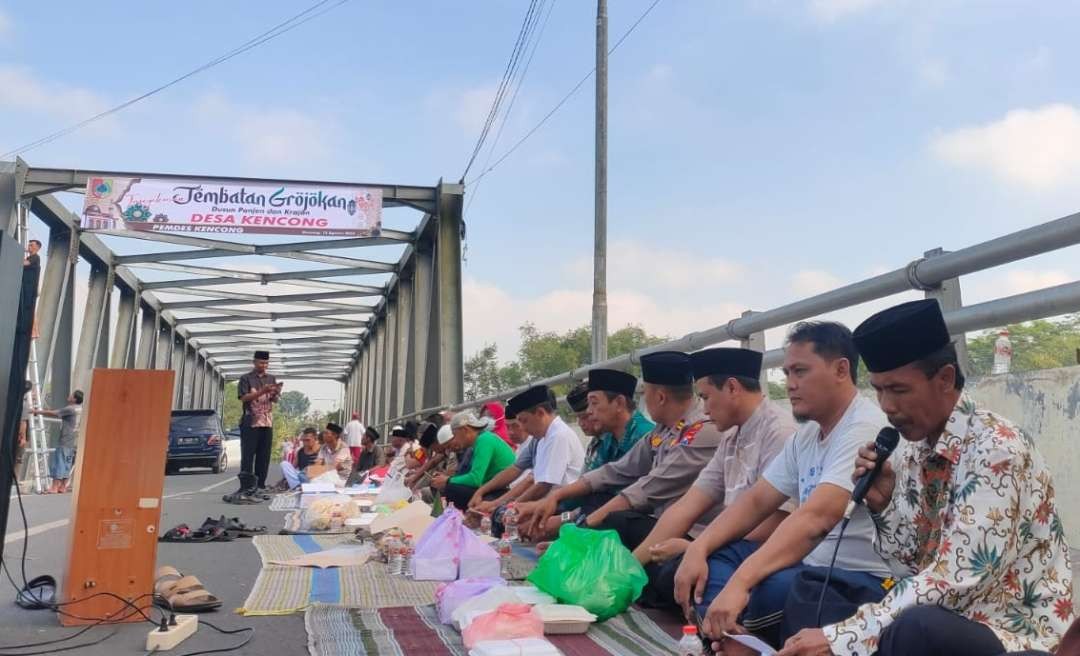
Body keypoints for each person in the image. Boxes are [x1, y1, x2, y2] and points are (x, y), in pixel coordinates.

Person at [778, 300, 1074, 656]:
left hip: (1010, 633)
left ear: (945, 378)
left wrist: (844, 637)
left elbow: (955, 577)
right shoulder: (916, 449)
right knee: (815, 595)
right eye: (880, 389)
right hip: (947, 613)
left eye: (899, 390)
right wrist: (885, 504)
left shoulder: (996, 449)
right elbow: (909, 565)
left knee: (913, 628)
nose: (886, 405)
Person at [673, 322, 892, 651]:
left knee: (787, 591)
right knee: (713, 559)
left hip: (855, 578)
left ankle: (728, 634)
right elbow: (756, 501)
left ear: (841, 369)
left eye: (800, 371)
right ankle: (730, 633)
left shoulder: (864, 427)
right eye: (787, 373)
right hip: (806, 567)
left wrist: (741, 582)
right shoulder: (807, 435)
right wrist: (698, 548)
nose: (790, 385)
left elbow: (816, 519)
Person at [635, 347, 796, 610]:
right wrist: (628, 567)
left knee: (674, 572)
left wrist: (696, 548)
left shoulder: (780, 433)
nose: (704, 409)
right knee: (654, 564)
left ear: (732, 388)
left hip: (758, 551)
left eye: (706, 397)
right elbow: (688, 505)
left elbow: (774, 524)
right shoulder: (732, 435)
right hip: (726, 544)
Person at [522, 352, 722, 550]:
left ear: (660, 397)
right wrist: (555, 498)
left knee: (615, 520)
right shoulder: (662, 430)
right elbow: (614, 472)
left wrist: (575, 534)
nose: (589, 412)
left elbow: (643, 491)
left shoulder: (699, 432)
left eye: (593, 403)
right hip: (659, 523)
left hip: (692, 535)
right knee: (604, 509)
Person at [227, 350, 282, 503]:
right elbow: (244, 398)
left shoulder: (271, 378)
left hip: (267, 422)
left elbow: (275, 400)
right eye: (260, 363)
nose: (263, 365)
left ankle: (260, 486)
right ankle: (246, 487)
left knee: (264, 456)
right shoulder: (246, 379)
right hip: (250, 421)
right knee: (248, 455)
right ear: (254, 362)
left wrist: (275, 393)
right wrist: (261, 391)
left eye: (266, 363)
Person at [431, 411, 515, 510]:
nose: (456, 440)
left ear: (465, 430)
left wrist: (448, 480)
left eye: (455, 434)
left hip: (502, 489)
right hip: (495, 487)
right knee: (452, 487)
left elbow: (475, 479)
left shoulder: (484, 440)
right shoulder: (480, 441)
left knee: (452, 489)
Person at [34, 390, 83, 494]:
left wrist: (36, 411)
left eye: (71, 395)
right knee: (67, 463)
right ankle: (63, 487)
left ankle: (54, 487)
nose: (69, 396)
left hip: (65, 440)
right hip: (74, 440)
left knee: (59, 463)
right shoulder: (80, 409)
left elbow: (54, 413)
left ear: (74, 399)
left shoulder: (70, 409)